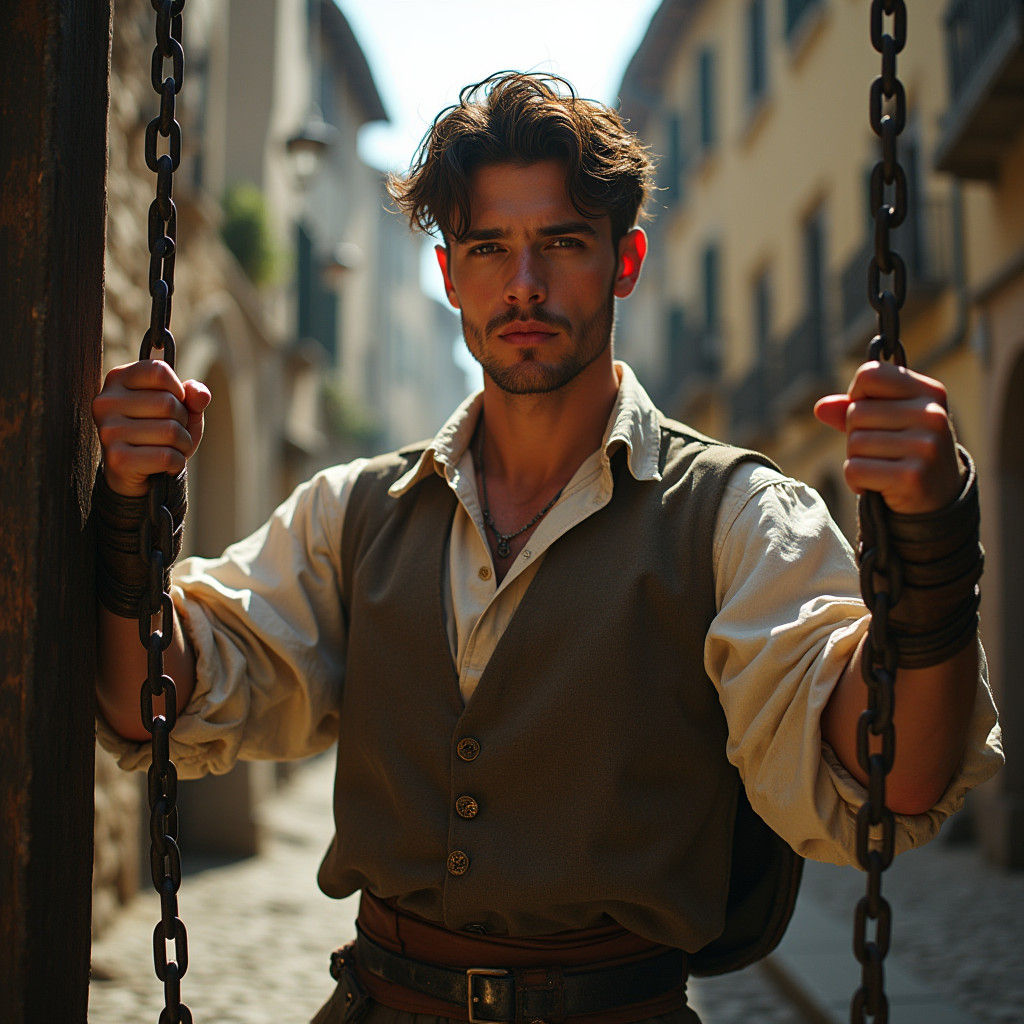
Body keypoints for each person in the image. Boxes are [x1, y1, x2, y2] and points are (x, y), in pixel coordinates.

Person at [93, 73, 1002, 1024]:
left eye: (562, 242)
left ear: (626, 259)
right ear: (450, 277)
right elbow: (152, 698)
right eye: (489, 248)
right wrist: (128, 504)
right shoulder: (355, 511)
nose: (523, 285)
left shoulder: (735, 514)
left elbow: (893, 769)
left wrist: (927, 533)